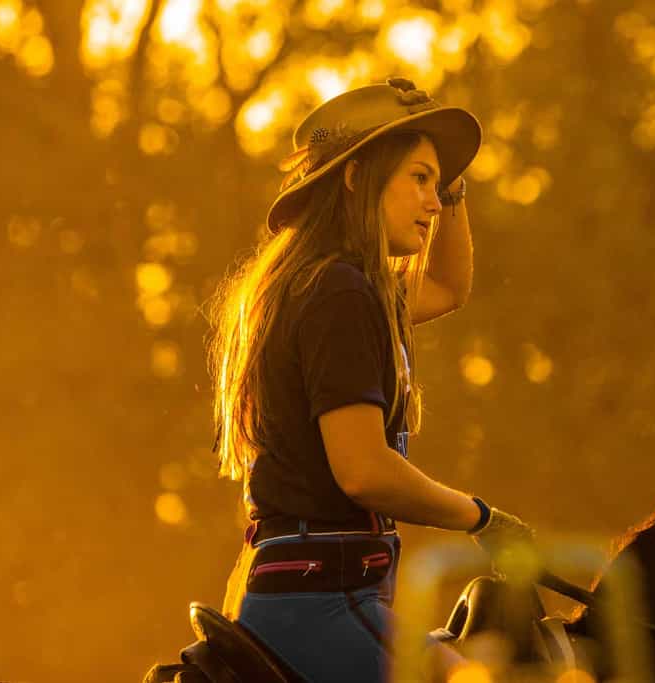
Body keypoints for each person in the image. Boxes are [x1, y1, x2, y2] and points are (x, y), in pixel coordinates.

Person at [206, 77, 535, 683]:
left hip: (313, 593)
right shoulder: (339, 294)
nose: (434, 204)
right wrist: (482, 519)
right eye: (419, 179)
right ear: (356, 177)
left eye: (439, 185)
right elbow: (363, 470)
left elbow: (448, 286)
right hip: (318, 600)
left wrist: (451, 179)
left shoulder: (333, 281)